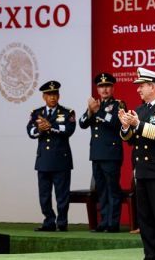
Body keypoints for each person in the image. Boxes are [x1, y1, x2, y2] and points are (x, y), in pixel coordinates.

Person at [118, 67, 155, 260]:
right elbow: (131, 140)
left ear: (153, 86)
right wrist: (126, 126)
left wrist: (137, 125)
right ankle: (149, 256)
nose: (138, 89)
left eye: (142, 86)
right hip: (142, 172)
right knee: (145, 220)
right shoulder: (141, 110)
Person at [26, 80, 76, 232]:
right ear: (44, 97)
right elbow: (30, 132)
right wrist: (40, 130)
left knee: (62, 195)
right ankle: (49, 221)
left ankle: (61, 222)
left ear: (59, 96)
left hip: (61, 160)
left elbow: (69, 130)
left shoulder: (68, 112)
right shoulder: (37, 113)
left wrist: (51, 126)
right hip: (43, 160)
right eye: (49, 95)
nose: (52, 97)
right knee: (44, 195)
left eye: (55, 94)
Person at [79, 73, 125, 233]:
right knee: (101, 190)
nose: (104, 89)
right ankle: (104, 222)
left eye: (107, 86)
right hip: (97, 154)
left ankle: (113, 223)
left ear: (112, 88)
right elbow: (82, 123)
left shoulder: (119, 105)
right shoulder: (95, 106)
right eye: (101, 86)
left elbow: (114, 122)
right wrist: (91, 112)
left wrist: (98, 111)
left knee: (112, 189)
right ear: (97, 89)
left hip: (111, 154)